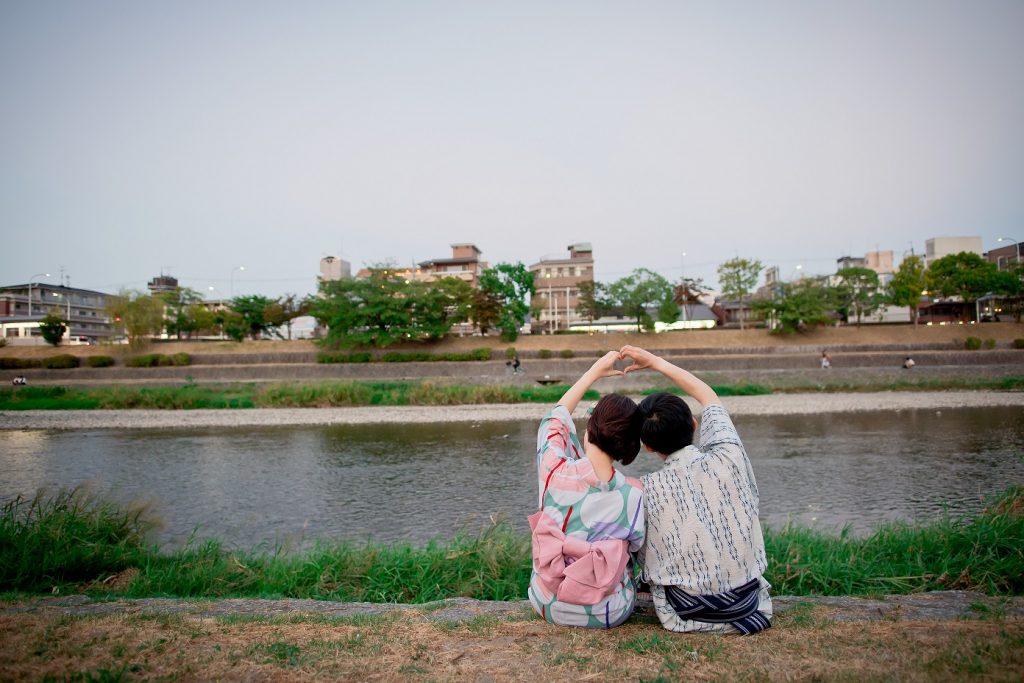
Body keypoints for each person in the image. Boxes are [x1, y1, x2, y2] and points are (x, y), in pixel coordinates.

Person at [619, 345, 772, 635]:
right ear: (693, 423)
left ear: (648, 447)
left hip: (684, 611)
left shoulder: (644, 490)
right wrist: (656, 362)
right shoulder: (729, 456)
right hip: (748, 604)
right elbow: (708, 397)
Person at [528, 351, 646, 629]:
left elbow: (553, 420)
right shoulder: (635, 495)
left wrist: (593, 371)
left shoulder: (553, 470)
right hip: (608, 610)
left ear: (589, 430)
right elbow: (639, 550)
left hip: (547, 603)